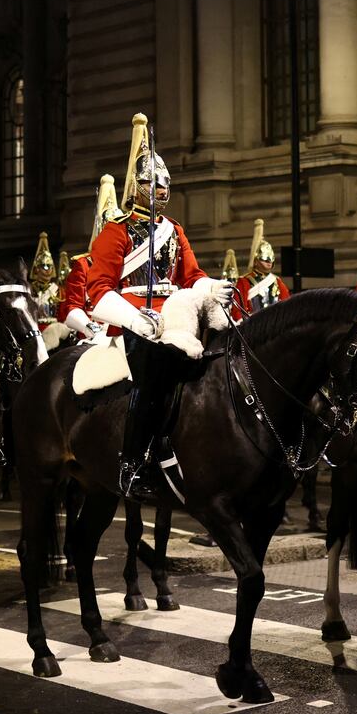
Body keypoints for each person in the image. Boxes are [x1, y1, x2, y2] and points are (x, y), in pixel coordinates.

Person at [86, 113, 233, 499]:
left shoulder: (174, 231)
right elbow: (98, 292)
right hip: (135, 320)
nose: (160, 189)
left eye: (165, 183)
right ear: (136, 186)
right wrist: (135, 319)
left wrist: (213, 288)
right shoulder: (116, 231)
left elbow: (192, 276)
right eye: (153, 182)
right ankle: (132, 462)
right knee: (152, 374)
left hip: (178, 316)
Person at [57, 174, 123, 343]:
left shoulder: (130, 264)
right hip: (94, 336)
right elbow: (72, 307)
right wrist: (93, 329)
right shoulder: (84, 264)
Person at [231, 218, 290, 321]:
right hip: (253, 325)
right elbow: (238, 309)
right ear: (255, 261)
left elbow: (287, 305)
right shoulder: (244, 281)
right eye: (264, 259)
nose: (269, 262)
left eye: (271, 259)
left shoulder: (277, 281)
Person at [29, 232, 60, 331]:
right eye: (45, 267)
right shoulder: (30, 289)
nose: (48, 270)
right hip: (35, 329)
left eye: (50, 267)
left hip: (55, 329)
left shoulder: (57, 289)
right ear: (37, 269)